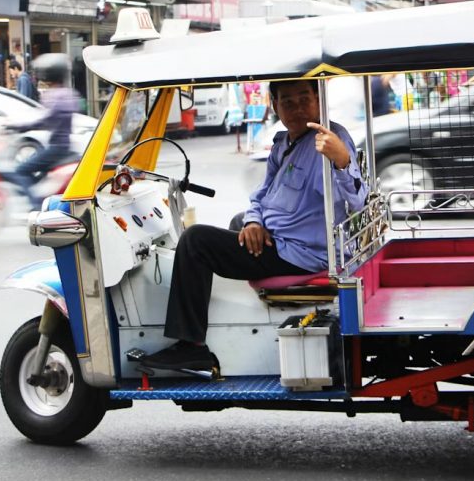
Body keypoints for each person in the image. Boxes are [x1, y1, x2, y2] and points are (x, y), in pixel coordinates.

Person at [142, 79, 369, 371]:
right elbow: (262, 194)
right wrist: (253, 221)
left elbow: (357, 199)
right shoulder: (284, 143)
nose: (297, 108)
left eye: (305, 99)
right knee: (239, 220)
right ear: (275, 106)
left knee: (195, 241)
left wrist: (341, 158)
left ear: (319, 100)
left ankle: (190, 346)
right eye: (287, 102)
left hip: (300, 253)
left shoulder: (330, 140)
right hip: (280, 237)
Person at [1, 53, 78, 209]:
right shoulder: (67, 93)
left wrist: (17, 126)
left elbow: (44, 121)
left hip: (57, 148)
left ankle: (35, 206)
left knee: (21, 170)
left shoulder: (57, 95)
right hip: (62, 146)